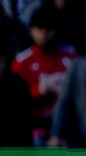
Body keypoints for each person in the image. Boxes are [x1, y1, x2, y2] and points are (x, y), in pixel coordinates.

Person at [10, 8, 77, 147]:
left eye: (48, 29)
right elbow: (12, 98)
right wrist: (36, 91)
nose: (44, 34)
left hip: (69, 122)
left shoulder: (71, 55)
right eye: (39, 29)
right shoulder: (21, 61)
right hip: (35, 123)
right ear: (31, 30)